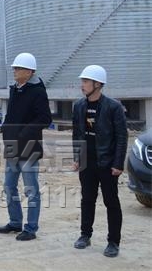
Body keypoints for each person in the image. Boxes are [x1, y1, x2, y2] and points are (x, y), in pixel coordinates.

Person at [72, 65, 127, 258]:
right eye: (82, 81)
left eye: (86, 81)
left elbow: (122, 137)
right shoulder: (79, 106)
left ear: (98, 84)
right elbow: (77, 134)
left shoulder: (113, 107)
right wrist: (77, 158)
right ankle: (85, 235)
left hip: (107, 163)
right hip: (87, 162)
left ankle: (113, 242)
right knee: (87, 199)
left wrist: (118, 163)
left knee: (111, 201)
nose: (82, 85)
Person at [0, 52, 51, 241]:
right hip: (13, 146)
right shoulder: (15, 89)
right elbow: (13, 114)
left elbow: (45, 118)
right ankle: (15, 222)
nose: (14, 71)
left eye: (18, 68)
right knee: (9, 186)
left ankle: (31, 228)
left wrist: (24, 132)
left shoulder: (37, 91)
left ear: (29, 72)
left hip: (28, 148)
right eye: (14, 68)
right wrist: (6, 127)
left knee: (31, 189)